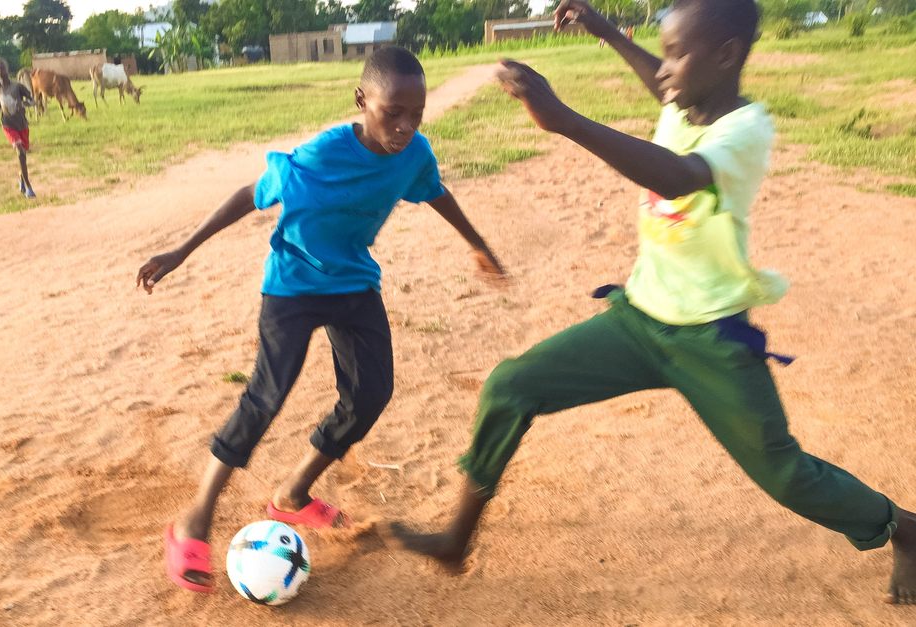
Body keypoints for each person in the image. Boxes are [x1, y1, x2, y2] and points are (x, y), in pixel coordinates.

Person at [390, 0, 915, 605]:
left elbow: (676, 176)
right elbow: (663, 83)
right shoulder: (684, 100)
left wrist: (563, 119)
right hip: (639, 320)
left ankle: (903, 527)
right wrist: (604, 29)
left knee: (784, 472)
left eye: (675, 54)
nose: (662, 70)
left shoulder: (746, 131)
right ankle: (456, 540)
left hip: (710, 337)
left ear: (726, 55)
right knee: (511, 385)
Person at [137, 46, 506, 594]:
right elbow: (249, 194)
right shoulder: (318, 159)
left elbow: (436, 192)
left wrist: (477, 243)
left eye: (416, 115)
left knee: (371, 394)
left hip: (353, 284)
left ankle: (293, 494)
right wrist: (181, 251)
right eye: (392, 113)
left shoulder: (413, 154)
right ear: (362, 100)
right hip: (292, 288)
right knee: (265, 397)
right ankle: (195, 520)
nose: (405, 127)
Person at [0, 58, 36, 199]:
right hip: (8, 124)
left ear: (7, 68)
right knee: (20, 151)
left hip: (22, 124)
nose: (0, 70)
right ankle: (28, 187)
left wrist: (24, 104)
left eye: (2, 67)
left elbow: (32, 100)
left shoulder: (17, 86)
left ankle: (21, 179)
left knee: (23, 155)